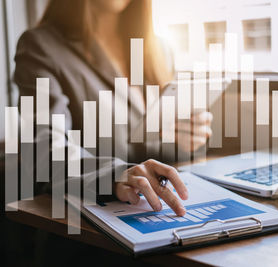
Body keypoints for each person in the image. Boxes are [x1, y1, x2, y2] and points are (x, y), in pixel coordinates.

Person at [14, 0, 213, 216]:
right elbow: (45, 154)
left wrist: (186, 139)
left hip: (158, 211)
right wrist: (116, 175)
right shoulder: (41, 46)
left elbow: (147, 150)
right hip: (83, 222)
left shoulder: (159, 48)